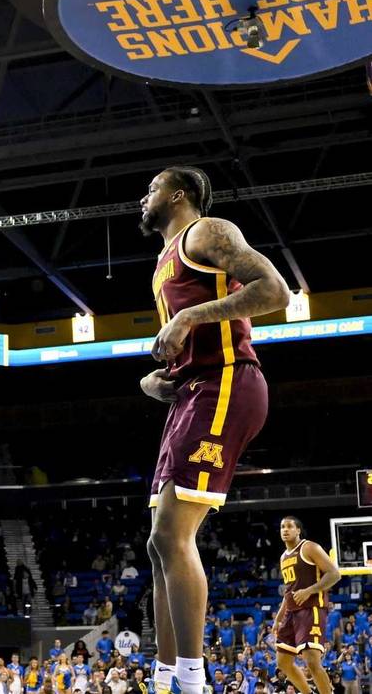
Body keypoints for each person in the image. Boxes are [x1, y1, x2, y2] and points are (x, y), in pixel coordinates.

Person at [138, 166, 290, 694]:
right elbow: (189, 339)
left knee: (170, 535)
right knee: (158, 545)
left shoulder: (205, 232)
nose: (143, 197)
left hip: (228, 382)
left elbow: (275, 291)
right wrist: (157, 379)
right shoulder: (162, 261)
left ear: (179, 195)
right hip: (192, 392)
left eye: (152, 189)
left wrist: (188, 318)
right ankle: (164, 676)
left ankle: (193, 679)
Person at [273, 516, 341, 694]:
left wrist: (309, 590)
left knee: (311, 661)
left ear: (298, 530)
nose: (285, 530)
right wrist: (278, 618)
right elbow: (289, 591)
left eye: (289, 526)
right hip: (292, 612)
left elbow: (334, 574)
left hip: (312, 609)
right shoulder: (283, 557)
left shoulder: (309, 547)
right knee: (283, 662)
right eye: (282, 527)